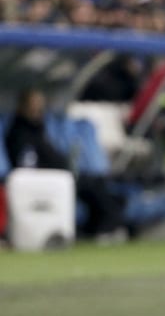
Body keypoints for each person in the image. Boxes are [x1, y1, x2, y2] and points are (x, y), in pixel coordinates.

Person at [4, 87, 127, 240]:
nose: (38, 108)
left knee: (98, 184)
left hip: (58, 174)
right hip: (44, 179)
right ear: (23, 106)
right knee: (92, 185)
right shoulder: (19, 133)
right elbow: (28, 164)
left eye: (40, 103)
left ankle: (101, 227)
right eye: (34, 104)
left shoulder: (37, 129)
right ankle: (105, 228)